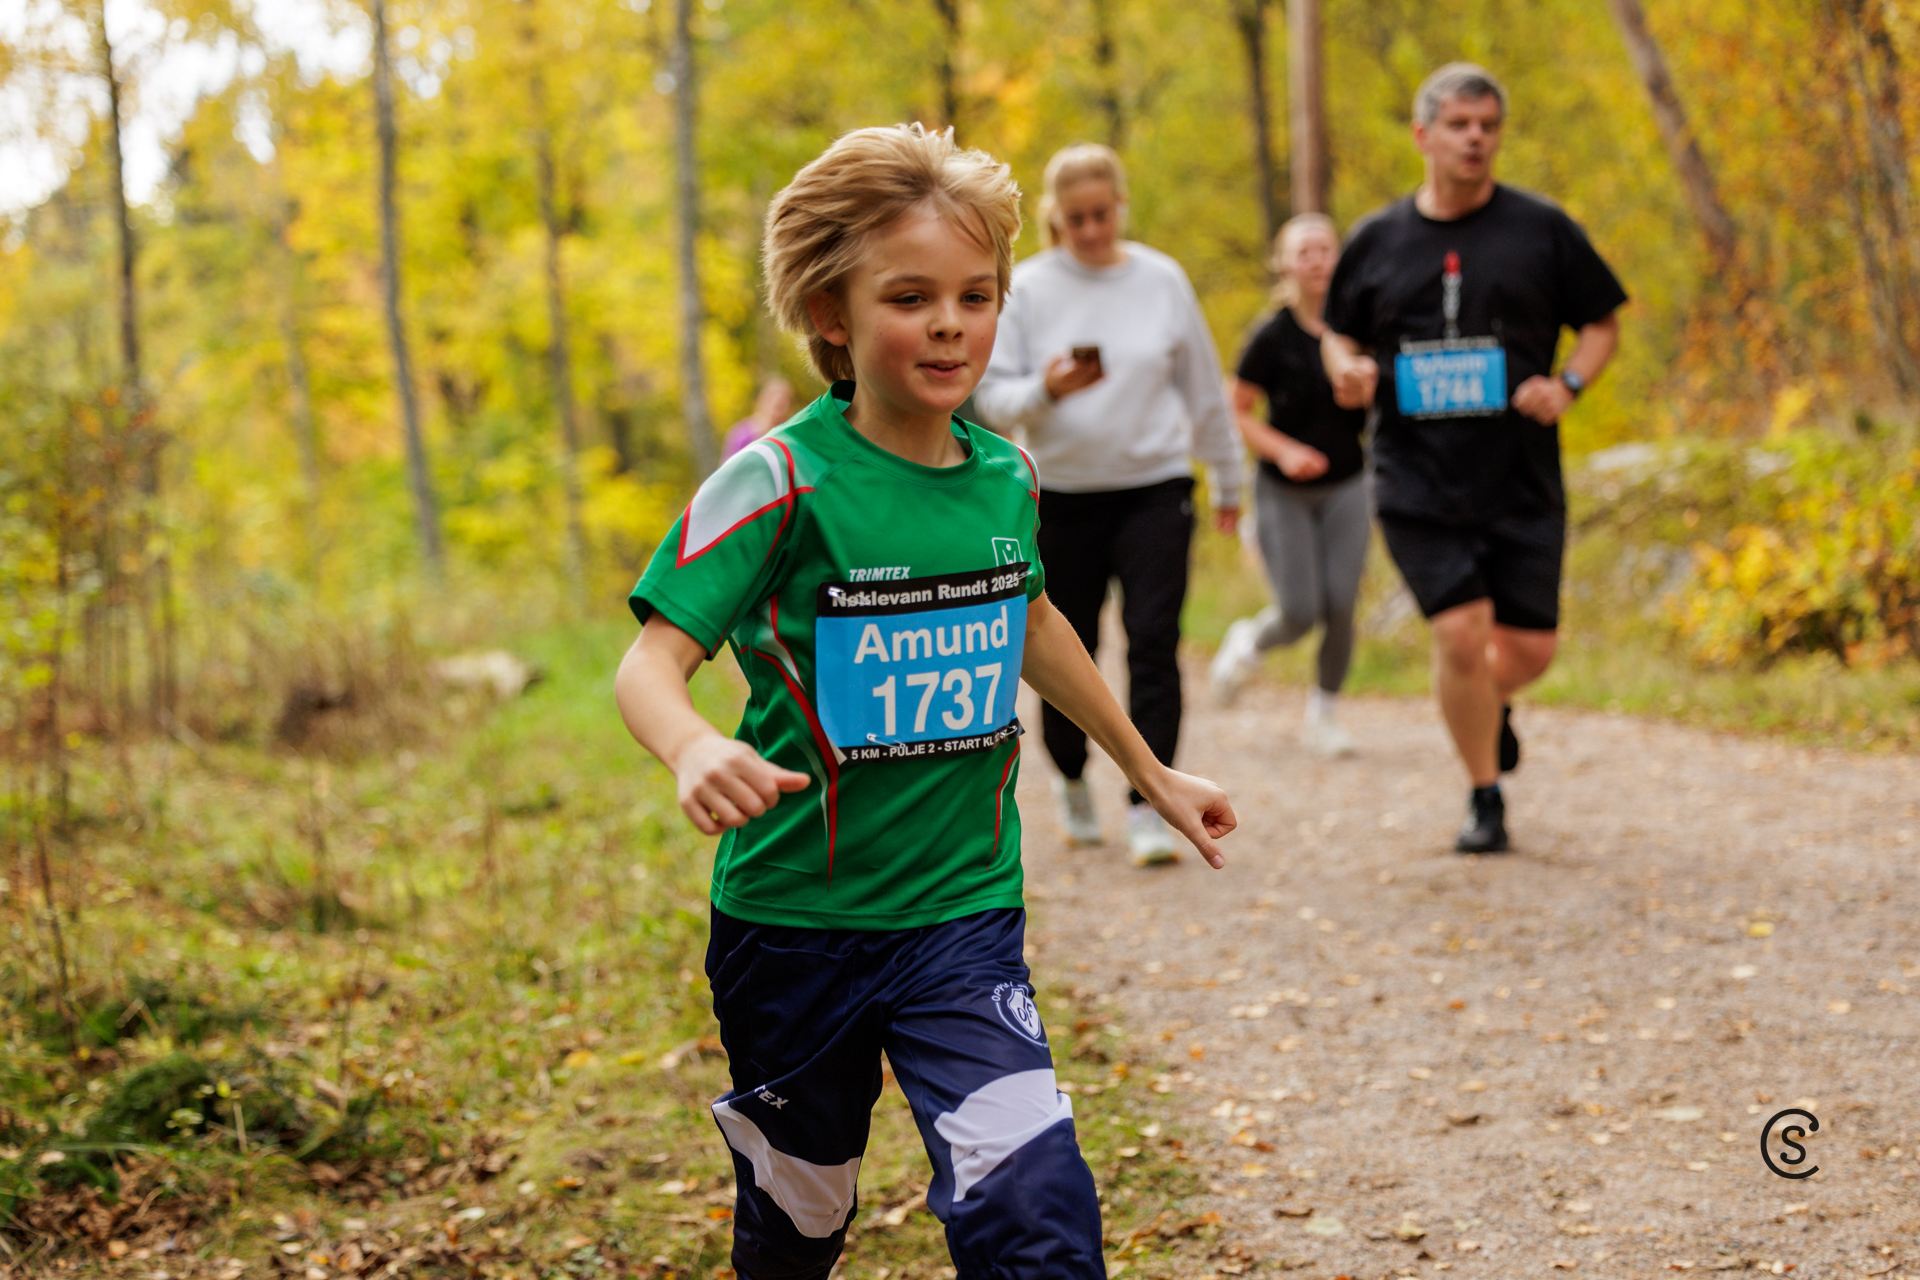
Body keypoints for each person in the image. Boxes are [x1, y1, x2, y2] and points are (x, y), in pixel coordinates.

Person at [613, 124, 1236, 1280]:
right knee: (800, 1220)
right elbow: (648, 663)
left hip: (961, 913)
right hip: (794, 925)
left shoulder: (1007, 476)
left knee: (1035, 1210)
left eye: (976, 295)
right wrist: (692, 744)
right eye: (910, 297)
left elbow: (1031, 623)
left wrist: (1148, 770)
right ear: (831, 314)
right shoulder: (777, 481)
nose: (951, 323)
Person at [1321, 63, 1626, 854]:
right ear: (1423, 135)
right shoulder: (1378, 239)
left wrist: (1567, 384)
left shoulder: (1542, 228)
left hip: (1520, 473)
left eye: (1488, 125)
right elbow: (1337, 333)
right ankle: (1484, 794)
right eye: (1459, 125)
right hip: (1415, 473)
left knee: (1529, 649)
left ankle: (1486, 705)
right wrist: (1346, 369)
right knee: (1459, 634)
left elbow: (1602, 322)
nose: (1475, 139)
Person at [974, 143, 1243, 866]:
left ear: (1121, 207)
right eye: (1077, 218)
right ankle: (1069, 775)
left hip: (1155, 487)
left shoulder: (1162, 280)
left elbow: (1204, 389)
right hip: (1061, 496)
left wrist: (1228, 479)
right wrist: (1047, 390)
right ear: (1056, 217)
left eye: (1102, 214)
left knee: (1154, 641)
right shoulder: (1029, 289)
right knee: (1072, 644)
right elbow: (991, 398)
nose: (1091, 230)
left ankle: (1149, 804)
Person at [1209, 213, 1370, 758]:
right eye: (1305, 251)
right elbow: (1237, 410)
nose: (1317, 260)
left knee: (1341, 604)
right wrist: (1285, 451)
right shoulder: (1271, 336)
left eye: (1326, 249)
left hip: (1348, 483)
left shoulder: (1359, 329)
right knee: (1300, 611)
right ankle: (1247, 643)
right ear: (1284, 266)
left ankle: (1324, 715)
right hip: (1284, 490)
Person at [722, 376, 796, 459]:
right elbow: (729, 465)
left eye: (784, 402)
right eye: (771, 398)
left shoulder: (790, 437)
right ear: (762, 399)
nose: (777, 403)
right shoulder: (742, 435)